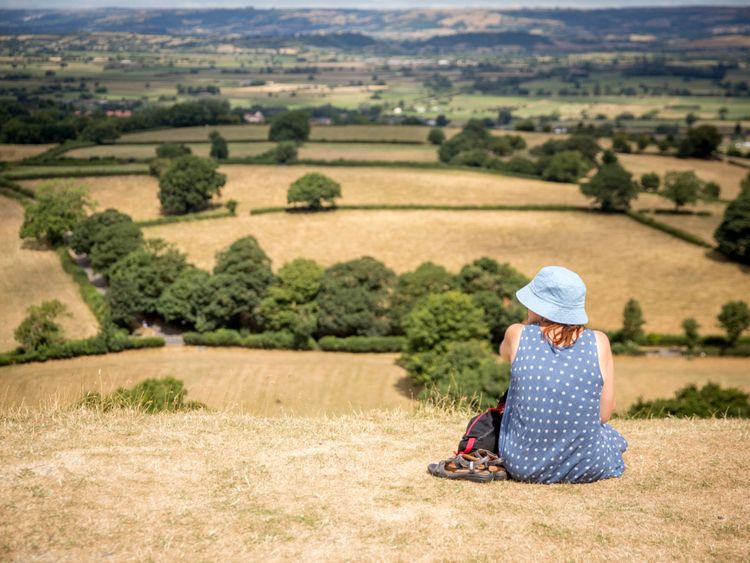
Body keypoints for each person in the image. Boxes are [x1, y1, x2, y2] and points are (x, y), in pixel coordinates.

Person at [497, 265, 627, 484]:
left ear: (538, 306)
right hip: (589, 466)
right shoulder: (599, 341)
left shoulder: (516, 334)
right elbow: (603, 415)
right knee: (611, 436)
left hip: (523, 465)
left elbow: (503, 354)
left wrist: (529, 323)